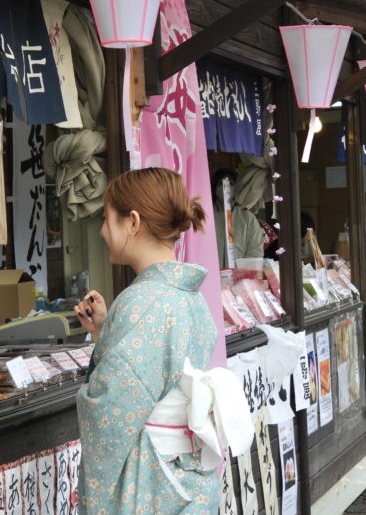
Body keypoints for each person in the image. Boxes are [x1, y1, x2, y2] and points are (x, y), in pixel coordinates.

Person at [74, 168, 240, 514]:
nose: (103, 231)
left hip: (155, 486)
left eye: (107, 219)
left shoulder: (142, 302)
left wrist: (104, 355)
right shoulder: (189, 296)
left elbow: (110, 412)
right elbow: (149, 373)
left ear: (132, 222)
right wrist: (105, 334)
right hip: (186, 477)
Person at [211, 168, 264, 268]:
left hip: (240, 276)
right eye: (220, 183)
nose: (225, 187)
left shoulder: (247, 218)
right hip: (211, 275)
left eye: (230, 183)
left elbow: (255, 250)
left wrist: (243, 273)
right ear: (214, 187)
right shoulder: (205, 216)